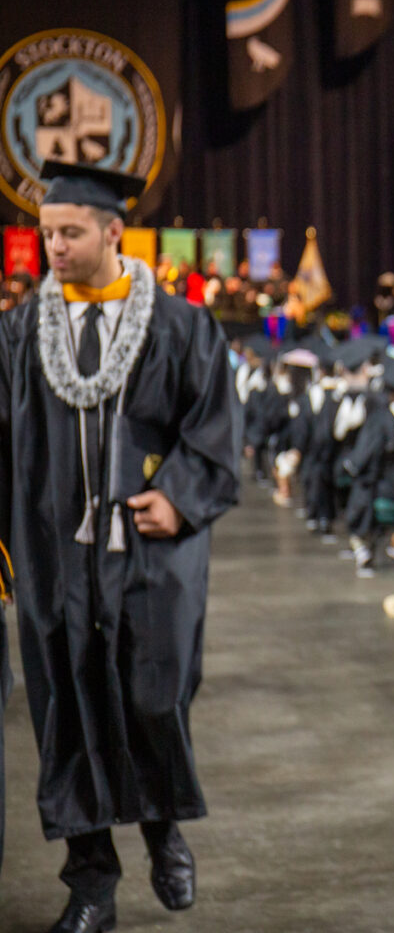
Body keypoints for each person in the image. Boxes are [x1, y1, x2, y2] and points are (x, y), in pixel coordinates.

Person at [0, 161, 241, 933]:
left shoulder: (178, 326)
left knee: (150, 697)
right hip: (55, 556)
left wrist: (179, 495)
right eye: (47, 234)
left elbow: (214, 427)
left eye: (70, 233)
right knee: (65, 708)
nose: (54, 248)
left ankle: (163, 826)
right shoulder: (19, 331)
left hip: (148, 553)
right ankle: (92, 884)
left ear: (113, 232)